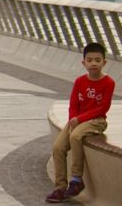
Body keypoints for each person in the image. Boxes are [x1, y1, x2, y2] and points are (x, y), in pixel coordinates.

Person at [45, 42, 115, 203]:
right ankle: (60, 188)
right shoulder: (79, 81)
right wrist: (72, 120)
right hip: (78, 120)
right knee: (58, 147)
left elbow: (103, 108)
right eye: (89, 60)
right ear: (83, 63)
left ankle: (76, 179)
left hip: (96, 121)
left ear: (104, 62)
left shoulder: (108, 83)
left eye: (97, 60)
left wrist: (79, 120)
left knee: (76, 136)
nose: (94, 63)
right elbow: (73, 104)